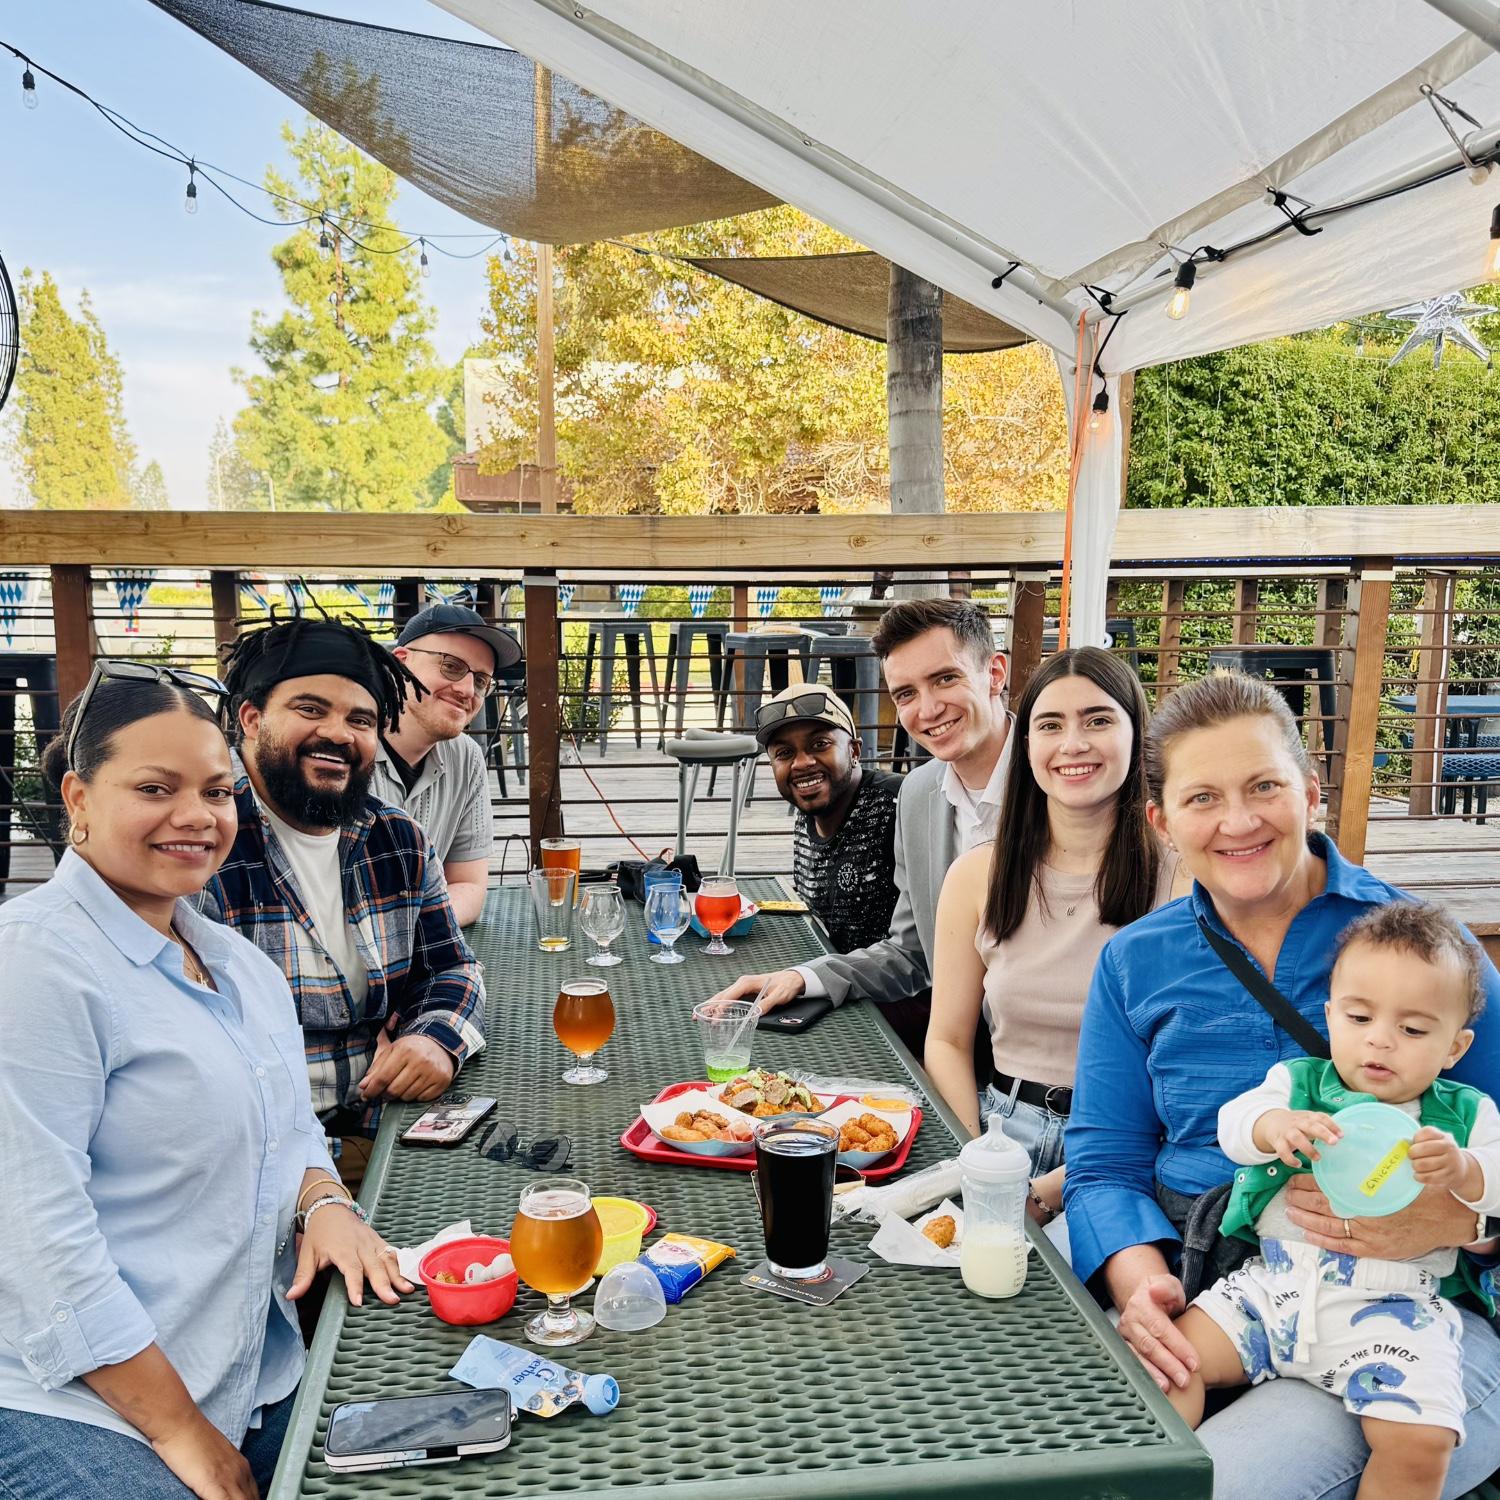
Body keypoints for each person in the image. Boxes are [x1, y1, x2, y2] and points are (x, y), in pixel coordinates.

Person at [1063, 670, 1500, 1500]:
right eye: (1202, 798)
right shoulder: (1134, 962)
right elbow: (1104, 1162)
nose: (1238, 822)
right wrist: (1138, 1282)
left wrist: (1465, 1219)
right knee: (1069, 1459)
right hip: (1217, 1287)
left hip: (1413, 1308)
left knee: (1219, 1490)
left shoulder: (1428, 956)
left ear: (1310, 791)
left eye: (1264, 786)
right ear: (1162, 822)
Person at [0, 662, 407, 1500]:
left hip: (246, 1373)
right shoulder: (36, 964)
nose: (196, 816)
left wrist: (324, 1202)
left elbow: (290, 1129)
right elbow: (38, 1245)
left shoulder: (236, 965)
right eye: (155, 788)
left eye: (218, 792)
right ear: (78, 798)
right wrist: (183, 1431)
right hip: (72, 1400)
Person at [1167, 902, 1500, 1499]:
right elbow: (1234, 1123)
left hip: (1394, 1308)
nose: (1380, 1040)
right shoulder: (1300, 1085)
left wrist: (1467, 1170)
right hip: (1274, 1287)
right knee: (1170, 1364)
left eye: (1413, 1030)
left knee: (1422, 1441)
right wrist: (1274, 1127)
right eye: (1359, 1016)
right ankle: (1141, 1476)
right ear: (1330, 1016)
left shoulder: (1464, 1115)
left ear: (1455, 1047)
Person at [204, 617, 486, 1192]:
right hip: (256, 1160)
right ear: (251, 719)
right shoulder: (204, 847)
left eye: (360, 720)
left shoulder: (394, 837)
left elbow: (451, 967)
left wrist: (435, 1038)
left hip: (387, 1127)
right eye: (310, 709)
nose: (338, 733)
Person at [924, 648, 1181, 1219]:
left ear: (1137, 735)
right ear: (1026, 745)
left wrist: (1044, 1194)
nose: (1073, 744)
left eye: (1098, 720)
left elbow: (1184, 1077)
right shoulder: (976, 875)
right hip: (999, 1130)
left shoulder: (1183, 880)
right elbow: (947, 1040)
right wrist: (976, 1155)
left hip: (1129, 1152)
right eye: (1050, 725)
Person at [708, 596, 1012, 1056]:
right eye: (906, 694)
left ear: (995, 673)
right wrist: (804, 977)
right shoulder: (920, 795)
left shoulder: (1058, 781)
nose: (928, 709)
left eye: (945, 678)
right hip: (958, 1046)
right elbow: (912, 952)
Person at [374, 602, 521, 927]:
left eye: (480, 681)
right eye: (451, 666)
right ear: (401, 663)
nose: (467, 690)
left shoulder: (466, 757)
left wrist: (406, 932)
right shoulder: (345, 749)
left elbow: (468, 886)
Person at [754, 683, 904, 953]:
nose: (802, 763)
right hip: (832, 970)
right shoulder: (808, 812)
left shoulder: (898, 805)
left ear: (854, 751)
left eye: (819, 744)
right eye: (784, 753)